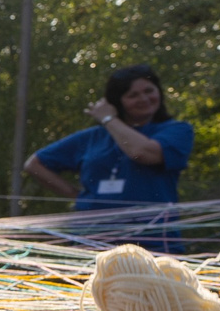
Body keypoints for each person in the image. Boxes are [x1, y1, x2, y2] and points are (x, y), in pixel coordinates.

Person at [22, 64, 195, 242]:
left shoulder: (177, 130)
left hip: (153, 242)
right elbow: (34, 164)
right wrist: (78, 197)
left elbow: (141, 153)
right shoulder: (92, 137)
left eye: (149, 91)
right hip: (91, 239)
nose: (143, 98)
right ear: (117, 102)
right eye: (133, 95)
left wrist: (108, 118)